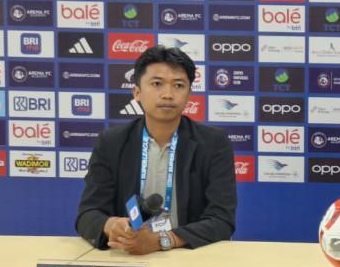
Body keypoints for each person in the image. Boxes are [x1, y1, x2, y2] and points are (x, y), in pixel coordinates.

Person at [76, 46, 237, 254]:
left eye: (178, 85)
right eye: (157, 84)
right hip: (129, 257)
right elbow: (88, 214)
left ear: (189, 94)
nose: (168, 94)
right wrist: (111, 226)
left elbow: (222, 220)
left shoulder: (213, 143)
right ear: (137, 92)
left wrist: (163, 240)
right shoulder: (111, 143)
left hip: (189, 257)